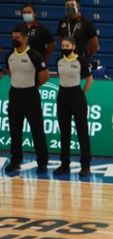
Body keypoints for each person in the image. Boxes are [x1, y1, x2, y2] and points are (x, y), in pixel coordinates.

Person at [5, 25, 49, 175]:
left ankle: (42, 162)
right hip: (14, 95)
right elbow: (11, 73)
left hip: (30, 95)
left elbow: (45, 76)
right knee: (15, 131)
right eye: (12, 37)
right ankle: (15, 161)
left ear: (25, 38)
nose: (14, 40)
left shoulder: (34, 55)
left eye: (17, 37)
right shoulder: (9, 55)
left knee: (37, 131)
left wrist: (31, 87)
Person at [53, 35, 91, 177]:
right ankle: (64, 164)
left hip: (77, 96)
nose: (65, 48)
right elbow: (61, 77)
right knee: (64, 132)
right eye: (63, 46)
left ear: (73, 47)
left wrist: (82, 93)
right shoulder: (59, 61)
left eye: (67, 46)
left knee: (82, 132)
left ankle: (85, 166)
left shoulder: (81, 61)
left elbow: (90, 79)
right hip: (62, 96)